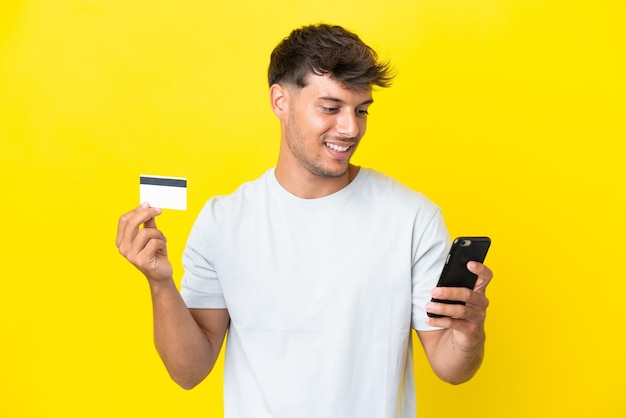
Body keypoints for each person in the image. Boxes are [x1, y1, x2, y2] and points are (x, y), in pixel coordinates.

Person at [116, 23, 493, 418]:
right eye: (330, 108)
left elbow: (451, 369)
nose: (350, 128)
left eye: (361, 110)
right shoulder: (223, 222)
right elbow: (188, 371)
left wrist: (469, 331)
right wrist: (160, 284)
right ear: (280, 101)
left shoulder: (412, 218)